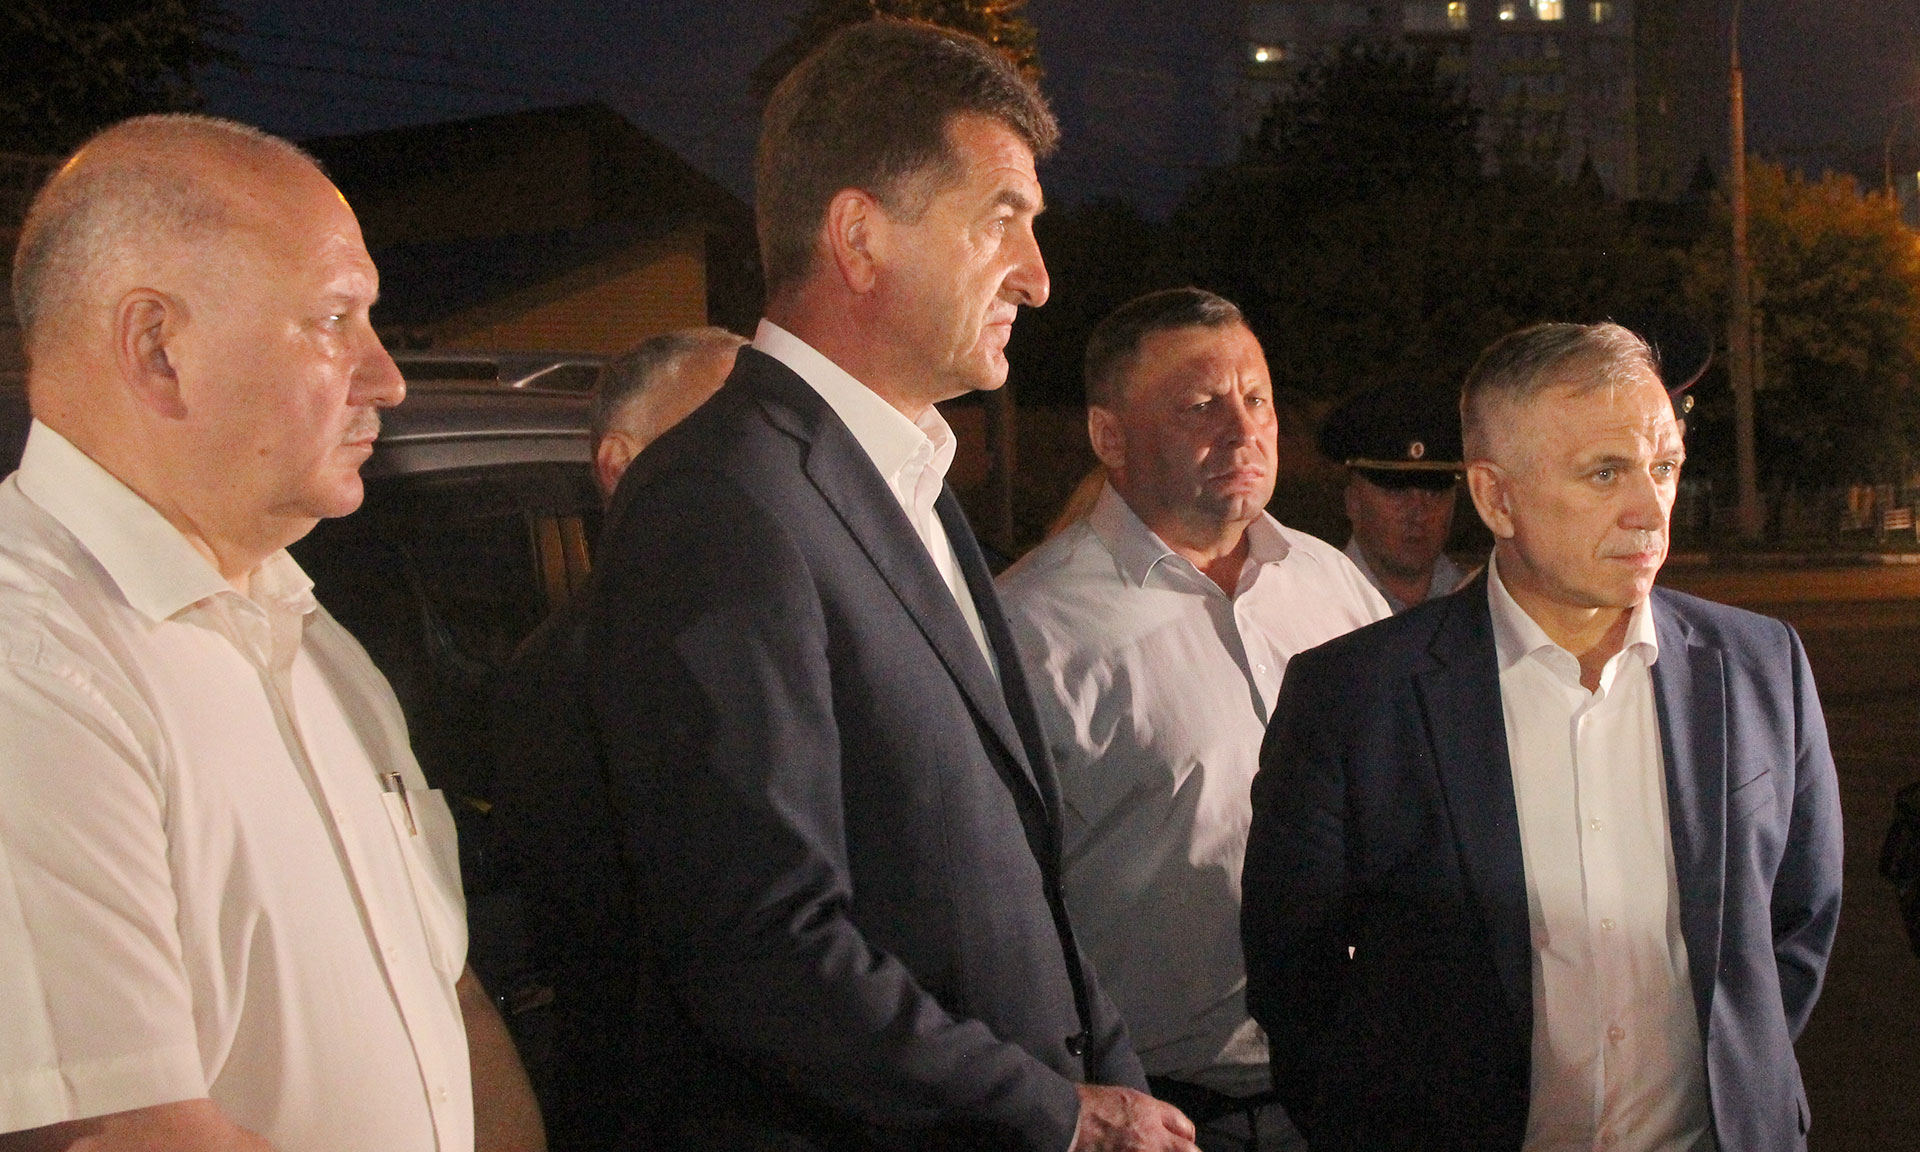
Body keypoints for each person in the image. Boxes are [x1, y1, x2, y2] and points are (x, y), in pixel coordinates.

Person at [582, 20, 1192, 1152]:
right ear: (860, 237)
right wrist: (1056, 1117)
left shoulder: (904, 484)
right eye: (1000, 221)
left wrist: (1110, 1079)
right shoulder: (719, 502)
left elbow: (1016, 884)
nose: (1039, 278)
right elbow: (762, 946)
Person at [0, 116, 542, 1150]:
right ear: (158, 349)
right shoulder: (34, 666)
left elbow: (450, 998)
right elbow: (125, 1135)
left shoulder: (308, 635)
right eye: (335, 320)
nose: (386, 379)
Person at [1242, 321, 1843, 1151]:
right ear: (1496, 498)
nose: (1650, 510)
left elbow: (1798, 924)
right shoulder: (1354, 696)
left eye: (1663, 467)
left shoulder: (1760, 665)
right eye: (1605, 472)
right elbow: (1294, 975)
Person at [998, 288, 1388, 1151]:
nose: (1243, 432)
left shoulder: (1332, 585)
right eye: (1201, 406)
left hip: (1362, 1091)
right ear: (1109, 437)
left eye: (1257, 399)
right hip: (1164, 1117)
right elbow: (995, 912)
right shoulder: (1031, 630)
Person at [488, 326, 744, 1150]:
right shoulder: (582, 673)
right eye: (725, 436)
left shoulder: (752, 635)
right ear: (620, 466)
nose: (764, 465)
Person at [1317, 383, 1471, 613]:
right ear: (1353, 502)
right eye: (1396, 492)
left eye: (1434, 492)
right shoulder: (1315, 606)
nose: (1418, 512)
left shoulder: (1480, 606)